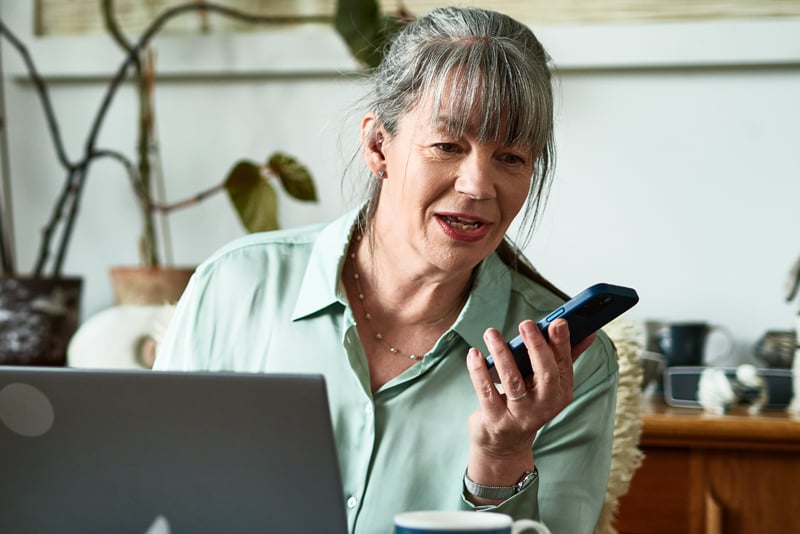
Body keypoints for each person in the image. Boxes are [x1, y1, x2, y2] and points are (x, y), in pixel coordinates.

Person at [154, 6, 618, 533]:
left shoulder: (569, 365)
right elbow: (150, 496)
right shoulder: (236, 287)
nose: (477, 186)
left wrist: (502, 457)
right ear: (379, 146)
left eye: (510, 157)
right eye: (447, 146)